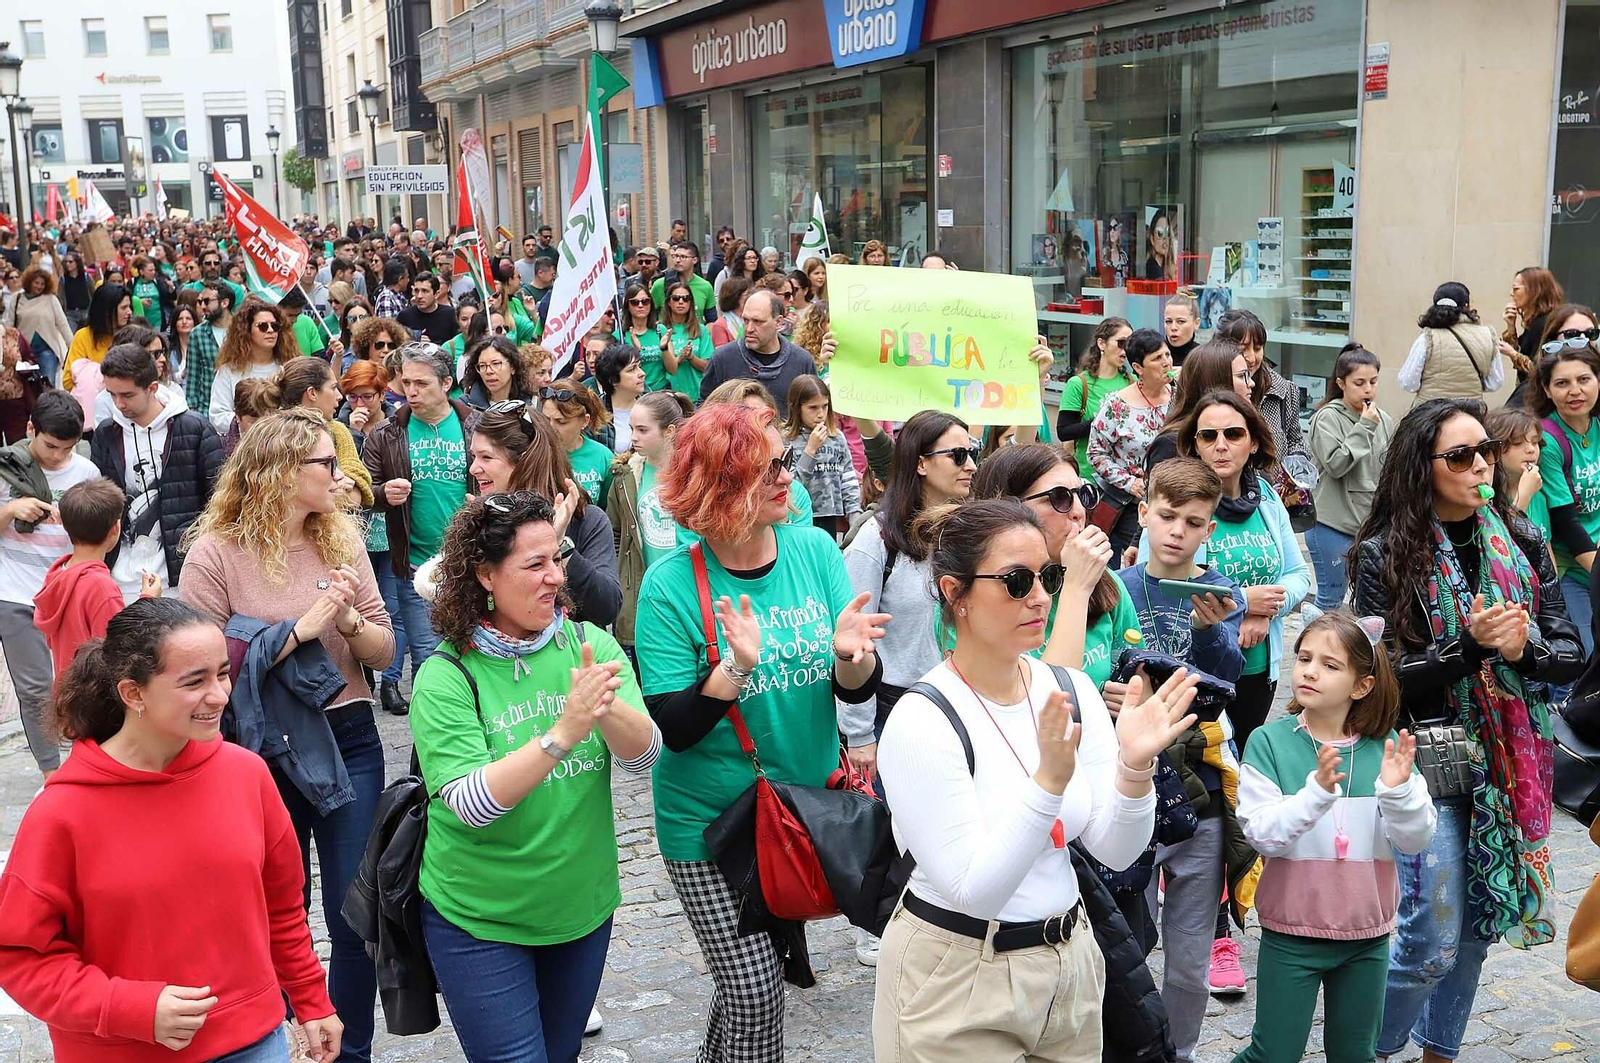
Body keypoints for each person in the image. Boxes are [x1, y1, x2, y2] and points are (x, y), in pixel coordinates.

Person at [873, 497, 1199, 1063]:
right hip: (957, 975)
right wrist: (1048, 783)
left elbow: (1116, 850)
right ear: (956, 594)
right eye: (1017, 581)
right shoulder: (922, 719)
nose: (1041, 597)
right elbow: (975, 889)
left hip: (1068, 963)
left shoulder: (1068, 690)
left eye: (1048, 576)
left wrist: (1134, 767)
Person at [634, 402, 884, 1063]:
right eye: (770, 466)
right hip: (708, 823)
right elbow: (675, 728)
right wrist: (733, 670)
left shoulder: (815, 549)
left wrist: (853, 659)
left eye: (787, 461)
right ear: (721, 483)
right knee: (755, 991)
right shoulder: (669, 588)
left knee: (743, 983)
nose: (788, 477)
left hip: (795, 815)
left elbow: (851, 686)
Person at [0, 597, 344, 1063]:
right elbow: (20, 955)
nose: (221, 695)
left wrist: (310, 999)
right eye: (194, 681)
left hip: (254, 1044)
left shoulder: (247, 776)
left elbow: (281, 907)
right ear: (133, 693)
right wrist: (125, 1008)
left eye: (222, 673)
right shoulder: (61, 813)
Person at [1351, 397, 1582, 1062]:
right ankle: (1369, 1048)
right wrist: (1468, 649)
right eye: (1460, 455)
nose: (1480, 464)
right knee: (1430, 940)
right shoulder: (1384, 552)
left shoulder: (1522, 538)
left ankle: (1438, 1054)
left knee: (1478, 927)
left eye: (1485, 450)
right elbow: (1378, 672)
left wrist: (1522, 652)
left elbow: (1569, 652)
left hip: (1510, 759)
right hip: (1426, 757)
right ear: (1424, 466)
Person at [408, 491, 659, 1062]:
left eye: (558, 558)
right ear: (484, 575)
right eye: (534, 565)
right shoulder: (447, 673)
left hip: (581, 908)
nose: (555, 578)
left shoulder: (587, 643)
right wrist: (561, 734)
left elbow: (644, 757)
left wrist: (606, 709)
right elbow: (470, 802)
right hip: (481, 919)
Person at [180, 407, 395, 1063]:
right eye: (326, 463)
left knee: (355, 914)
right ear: (278, 473)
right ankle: (274, 1043)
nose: (340, 473)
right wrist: (297, 631)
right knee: (274, 909)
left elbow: (387, 652)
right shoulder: (216, 551)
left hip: (349, 739)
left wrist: (351, 621)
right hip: (259, 750)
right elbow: (192, 667)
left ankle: (349, 1048)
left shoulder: (341, 538)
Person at [1230, 610, 1435, 1063]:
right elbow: (1263, 835)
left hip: (1366, 938)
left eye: (1330, 664)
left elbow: (1415, 838)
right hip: (1292, 935)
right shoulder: (1269, 742)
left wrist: (1399, 792)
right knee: (1273, 1054)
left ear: (1361, 685)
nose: (1310, 671)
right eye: (1304, 658)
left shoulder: (1387, 750)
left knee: (1355, 1054)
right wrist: (1316, 794)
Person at [1118, 457, 1250, 1054]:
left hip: (1200, 785)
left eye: (1192, 521)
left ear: (1209, 529)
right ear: (1144, 514)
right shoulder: (1117, 588)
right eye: (1166, 516)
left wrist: (1211, 632)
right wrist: (1109, 691)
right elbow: (1092, 668)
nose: (1176, 531)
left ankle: (1182, 1050)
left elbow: (1228, 686)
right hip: (1134, 785)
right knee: (1129, 938)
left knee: (1191, 957)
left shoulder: (1222, 593)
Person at [1165, 389, 1310, 756]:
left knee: (1244, 769)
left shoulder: (1265, 496)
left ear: (1254, 442)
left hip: (1260, 671)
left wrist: (1267, 608)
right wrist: (1244, 603)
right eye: (1208, 436)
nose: (1221, 445)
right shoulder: (1179, 502)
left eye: (1233, 434)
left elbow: (1297, 575)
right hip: (1196, 672)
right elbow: (1161, 589)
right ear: (1194, 444)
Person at [361, 341, 480, 667]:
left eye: (421, 383)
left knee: (478, 658)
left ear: (446, 383)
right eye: (406, 383)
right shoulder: (386, 433)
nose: (411, 391)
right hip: (415, 568)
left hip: (472, 566)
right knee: (430, 661)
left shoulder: (476, 426)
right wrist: (384, 492)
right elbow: (363, 492)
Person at [0, 389, 100, 777]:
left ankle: (84, 765)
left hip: (69, 592)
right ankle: (50, 773)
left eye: (67, 448)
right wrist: (10, 510)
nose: (58, 455)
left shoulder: (85, 473)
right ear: (30, 429)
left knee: (79, 685)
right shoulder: (8, 468)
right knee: (34, 691)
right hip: (14, 593)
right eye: (51, 446)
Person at [451, 403, 621, 626]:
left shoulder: (587, 520)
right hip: (495, 656)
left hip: (570, 655)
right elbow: (455, 608)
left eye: (486, 457)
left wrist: (559, 545)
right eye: (474, 456)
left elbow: (607, 608)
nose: (474, 468)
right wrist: (468, 537)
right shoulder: (481, 518)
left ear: (525, 461)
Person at [91, 344, 226, 602]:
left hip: (180, 576)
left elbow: (219, 499)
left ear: (152, 388)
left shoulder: (194, 429)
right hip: (119, 578)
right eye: (112, 395)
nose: (118, 404)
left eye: (127, 395)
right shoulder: (106, 433)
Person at [338, 359, 410, 716]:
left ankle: (392, 682)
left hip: (391, 528)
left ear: (382, 393)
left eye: (367, 395)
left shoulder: (398, 425)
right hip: (356, 533)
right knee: (357, 607)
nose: (360, 403)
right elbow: (346, 481)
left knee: (392, 606)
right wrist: (353, 434)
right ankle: (365, 674)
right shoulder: (340, 428)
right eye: (352, 397)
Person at [34, 476, 159, 680]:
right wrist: (148, 600)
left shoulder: (57, 574)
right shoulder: (101, 587)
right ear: (116, 528)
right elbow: (118, 648)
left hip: (67, 692)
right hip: (94, 699)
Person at [1528, 320, 1600, 658]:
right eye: (1562, 383)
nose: (1575, 391)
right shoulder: (1547, 439)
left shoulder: (1598, 426)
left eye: (1584, 379)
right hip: (1572, 567)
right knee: (1583, 658)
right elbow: (1565, 522)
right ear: (1546, 389)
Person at [1307, 343, 1392, 613]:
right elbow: (1336, 464)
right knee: (1331, 600)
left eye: (1373, 381)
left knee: (1372, 600)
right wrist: (1365, 426)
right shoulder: (1327, 418)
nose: (1368, 389)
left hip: (1369, 524)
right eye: (1359, 383)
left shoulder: (1384, 420)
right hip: (1332, 523)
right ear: (1341, 383)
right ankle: (1312, 651)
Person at [607, 391, 694, 654]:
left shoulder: (696, 473)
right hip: (642, 595)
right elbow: (615, 533)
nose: (633, 437)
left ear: (670, 431)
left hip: (688, 592)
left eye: (643, 430)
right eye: (632, 428)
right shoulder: (625, 475)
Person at [1088, 327, 1174, 560]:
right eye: (1157, 358)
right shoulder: (1118, 405)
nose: (1166, 362)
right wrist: (1129, 483)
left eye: (1167, 354)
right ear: (1138, 368)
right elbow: (1095, 453)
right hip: (1131, 504)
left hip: (1174, 496)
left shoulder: (1180, 396)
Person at [259, 357, 374, 508]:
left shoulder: (338, 431)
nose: (339, 396)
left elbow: (355, 496)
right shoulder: (269, 435)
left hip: (327, 529)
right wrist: (334, 488)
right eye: (333, 388)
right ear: (312, 393)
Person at [1145, 341, 1255, 476]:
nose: (1251, 383)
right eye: (1241, 376)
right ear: (1215, 381)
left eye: (1235, 435)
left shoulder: (1248, 425)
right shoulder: (1171, 444)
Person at [698, 289, 828, 403]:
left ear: (778, 322)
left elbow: (813, 409)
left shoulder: (801, 361)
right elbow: (704, 410)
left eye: (758, 322)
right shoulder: (723, 360)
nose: (749, 329)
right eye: (745, 320)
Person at [783, 374, 859, 539]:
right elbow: (791, 486)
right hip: (799, 517)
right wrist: (810, 450)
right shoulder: (786, 439)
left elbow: (848, 478)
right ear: (797, 408)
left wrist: (854, 513)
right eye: (813, 408)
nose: (820, 414)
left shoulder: (836, 437)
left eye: (824, 407)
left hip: (831, 516)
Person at [210, 296, 299, 435]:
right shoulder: (228, 371)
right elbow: (218, 416)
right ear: (247, 330)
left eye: (275, 326)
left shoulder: (290, 368)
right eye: (262, 326)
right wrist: (250, 424)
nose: (270, 330)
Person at [1400, 282, 1502, 402]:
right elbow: (1495, 382)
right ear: (1467, 306)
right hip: (1470, 413)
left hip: (1430, 414)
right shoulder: (1487, 336)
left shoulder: (1427, 338)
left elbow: (1408, 382)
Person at [1057, 316, 1133, 478]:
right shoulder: (1079, 384)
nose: (1125, 350)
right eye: (1121, 343)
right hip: (1091, 477)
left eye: (1130, 344)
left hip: (1127, 479)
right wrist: (1101, 421)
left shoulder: (1132, 381)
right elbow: (1064, 432)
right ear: (1101, 344)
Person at [542, 376, 616, 508]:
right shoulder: (531, 452)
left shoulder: (603, 456)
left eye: (561, 421)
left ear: (584, 421)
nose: (551, 427)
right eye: (546, 419)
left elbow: (608, 511)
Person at [1500, 266, 1564, 404]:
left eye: (1516, 289)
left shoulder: (1547, 323)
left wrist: (1513, 354)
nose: (1512, 294)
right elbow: (1523, 355)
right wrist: (1511, 327)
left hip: (1541, 400)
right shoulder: (1535, 321)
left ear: (1534, 291)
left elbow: (1540, 370)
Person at [3, 266, 72, 385]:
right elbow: (10, 326)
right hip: (24, 352)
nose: (39, 286)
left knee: (47, 387)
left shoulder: (51, 299)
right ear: (29, 282)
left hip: (47, 351)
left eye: (42, 284)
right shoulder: (17, 298)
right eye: (36, 283)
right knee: (27, 388)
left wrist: (72, 347)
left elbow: (63, 324)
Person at [63, 282, 131, 392]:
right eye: (124, 308)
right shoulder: (83, 336)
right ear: (107, 311)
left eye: (129, 306)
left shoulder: (132, 334)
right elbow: (68, 381)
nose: (129, 312)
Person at [658, 280, 714, 400]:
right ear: (668, 302)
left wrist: (691, 357)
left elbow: (708, 367)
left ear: (691, 303)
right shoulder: (660, 330)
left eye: (686, 299)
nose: (681, 302)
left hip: (697, 396)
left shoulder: (701, 330)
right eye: (676, 298)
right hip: (669, 397)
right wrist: (679, 358)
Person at [183, 279, 231, 416]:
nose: (203, 306)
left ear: (224, 303)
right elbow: (193, 375)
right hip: (206, 410)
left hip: (236, 409)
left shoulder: (242, 331)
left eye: (207, 301)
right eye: (200, 302)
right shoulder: (197, 333)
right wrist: (192, 410)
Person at [594, 343, 648, 453]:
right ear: (613, 380)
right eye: (632, 369)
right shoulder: (595, 413)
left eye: (639, 366)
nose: (642, 373)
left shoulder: (654, 407)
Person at [460, 335, 533, 409]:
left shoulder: (531, 404)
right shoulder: (464, 407)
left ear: (513, 367)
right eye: (482, 366)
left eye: (496, 364)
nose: (488, 371)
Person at [619, 281, 667, 392]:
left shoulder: (660, 330)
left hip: (660, 391)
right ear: (627, 306)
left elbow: (672, 370)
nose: (640, 305)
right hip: (633, 393)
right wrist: (636, 351)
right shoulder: (619, 335)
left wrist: (664, 349)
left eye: (645, 301)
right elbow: (620, 372)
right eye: (635, 302)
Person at [650, 242, 715, 322]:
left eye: (683, 257)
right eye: (675, 256)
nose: (677, 260)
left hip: (696, 332)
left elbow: (712, 320)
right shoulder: (660, 285)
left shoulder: (705, 286)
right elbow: (649, 314)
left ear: (694, 260)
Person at [397, 272, 459, 345]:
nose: (419, 296)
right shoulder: (405, 316)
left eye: (425, 291)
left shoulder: (450, 314)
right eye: (416, 291)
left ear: (436, 294)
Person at [164, 298, 198, 393]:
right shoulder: (168, 349)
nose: (184, 322)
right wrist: (183, 374)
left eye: (188, 318)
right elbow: (166, 379)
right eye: (180, 319)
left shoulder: (199, 347)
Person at [710, 276, 750, 348]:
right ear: (735, 297)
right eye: (746, 294)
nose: (750, 297)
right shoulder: (720, 325)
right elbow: (722, 356)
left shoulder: (751, 320)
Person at [1164, 293, 1201, 366]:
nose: (1173, 327)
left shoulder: (1203, 358)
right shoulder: (1152, 354)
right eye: (1168, 321)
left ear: (1196, 323)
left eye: (1180, 322)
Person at [1144, 207, 1176, 281]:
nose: (1165, 239)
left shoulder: (1166, 266)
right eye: (1160, 233)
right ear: (1152, 239)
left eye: (1167, 233)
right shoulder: (1151, 267)